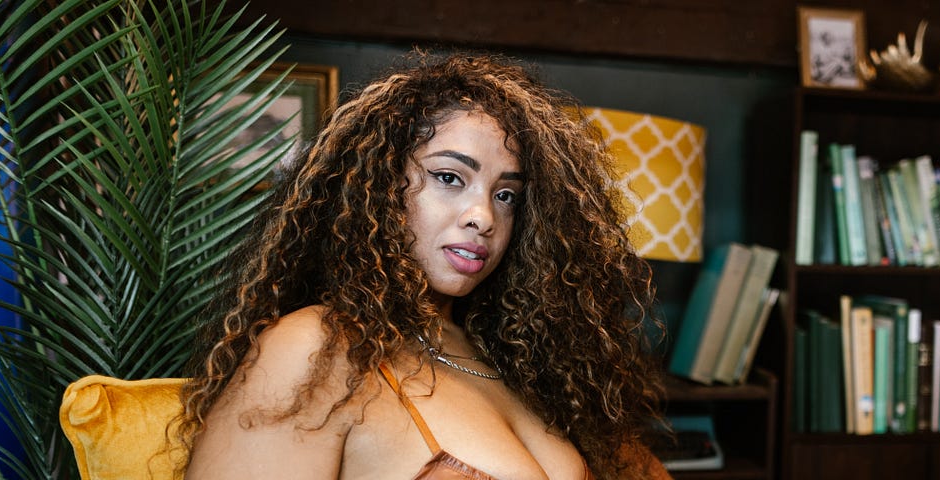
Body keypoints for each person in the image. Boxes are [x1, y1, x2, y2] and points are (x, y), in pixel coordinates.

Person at [178, 53, 670, 480]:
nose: (483, 217)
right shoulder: (312, 350)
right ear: (377, 186)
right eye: (449, 177)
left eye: (506, 195)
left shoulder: (526, 359)